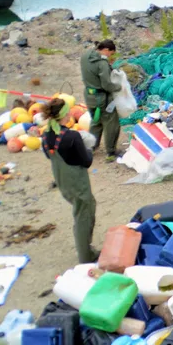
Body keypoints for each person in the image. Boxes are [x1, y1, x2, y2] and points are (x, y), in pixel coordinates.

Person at [41, 97, 98, 263]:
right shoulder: (72, 136)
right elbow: (86, 161)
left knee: (82, 212)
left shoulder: (46, 135)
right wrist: (88, 148)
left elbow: (48, 155)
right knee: (84, 217)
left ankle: (86, 249)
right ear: (65, 115)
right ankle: (86, 256)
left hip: (63, 183)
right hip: (78, 184)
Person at [80, 40, 122, 162]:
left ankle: (90, 147)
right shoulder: (102, 63)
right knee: (111, 123)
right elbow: (106, 85)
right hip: (101, 98)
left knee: (96, 121)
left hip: (89, 95)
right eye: (111, 53)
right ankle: (111, 151)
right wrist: (119, 87)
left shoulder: (85, 56)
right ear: (106, 50)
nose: (110, 56)